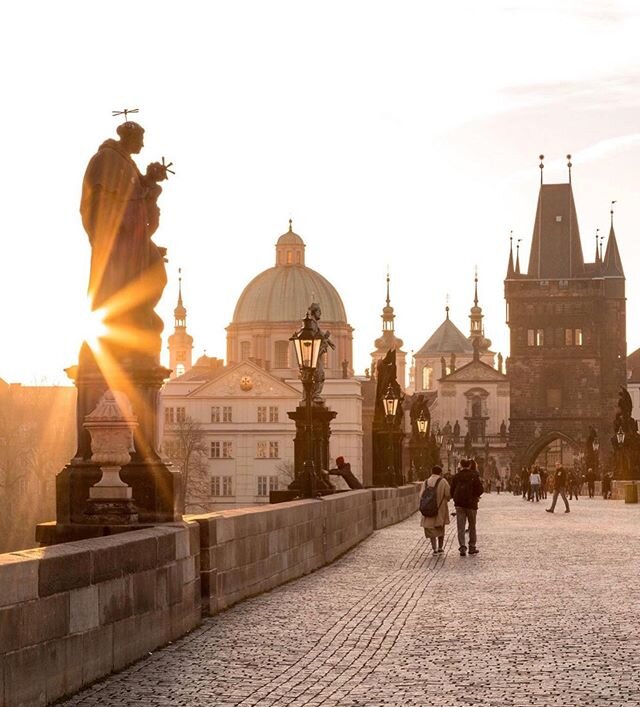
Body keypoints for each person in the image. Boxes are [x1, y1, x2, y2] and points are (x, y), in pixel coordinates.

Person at [80, 121, 168, 359]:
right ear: (130, 137)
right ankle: (123, 330)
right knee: (119, 282)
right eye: (141, 138)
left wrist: (151, 180)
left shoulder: (128, 163)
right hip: (118, 239)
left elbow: (142, 195)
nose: (143, 144)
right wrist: (110, 231)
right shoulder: (105, 159)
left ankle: (138, 320)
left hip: (135, 237)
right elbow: (96, 202)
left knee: (156, 273)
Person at [450, 458, 484, 556]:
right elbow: (481, 490)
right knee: (472, 526)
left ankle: (462, 547)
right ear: (469, 465)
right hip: (471, 505)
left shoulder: (456, 476)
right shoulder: (474, 475)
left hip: (459, 505)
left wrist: (455, 499)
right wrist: (474, 496)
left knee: (460, 527)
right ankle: (472, 546)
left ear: (460, 465)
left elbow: (452, 490)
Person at [420, 465, 451, 555]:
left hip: (428, 509)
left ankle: (434, 548)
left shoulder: (426, 482)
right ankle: (440, 547)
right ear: (440, 473)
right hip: (440, 508)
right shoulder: (443, 481)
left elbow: (421, 495)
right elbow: (448, 494)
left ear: (431, 472)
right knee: (440, 528)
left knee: (431, 529)